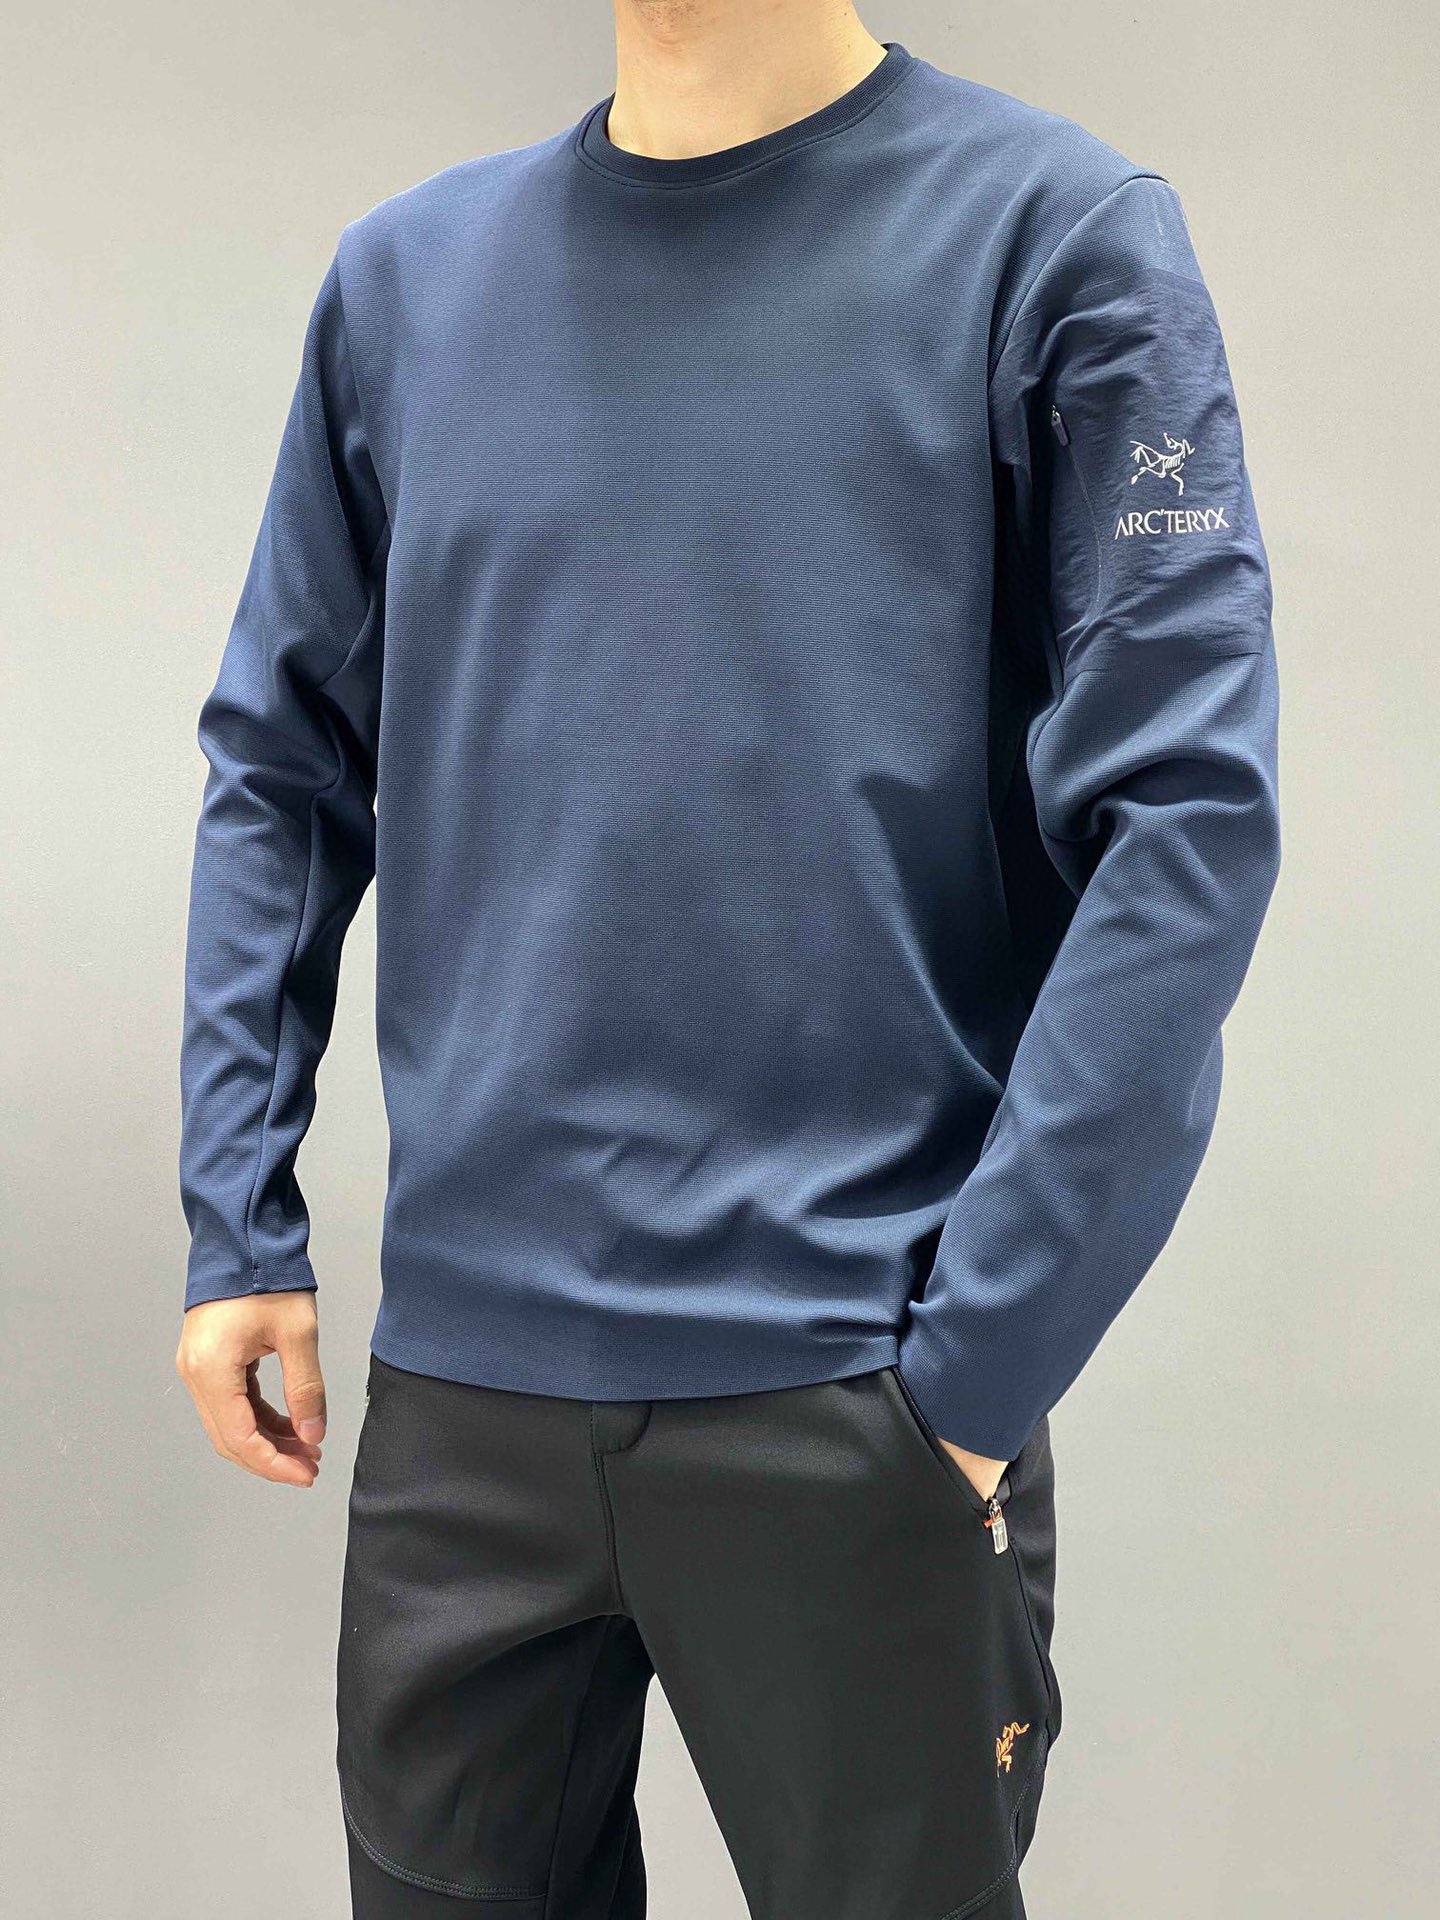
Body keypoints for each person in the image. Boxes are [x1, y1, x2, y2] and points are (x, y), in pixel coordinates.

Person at [174, 5, 1281, 1915]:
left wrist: (973, 1372)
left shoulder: (1056, 237)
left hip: (852, 1389)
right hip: (463, 1413)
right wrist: (237, 1222)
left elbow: (1188, 821)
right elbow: (282, 760)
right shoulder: (406, 285)